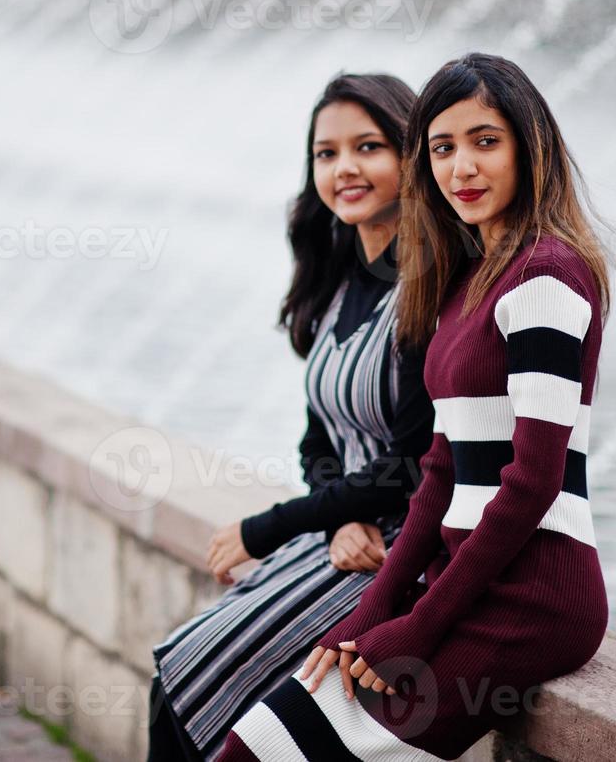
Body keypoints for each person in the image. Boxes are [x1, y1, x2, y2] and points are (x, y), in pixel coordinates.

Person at [216, 53, 613, 761]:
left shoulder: (549, 276)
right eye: (441, 148)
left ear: (530, 146)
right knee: (251, 747)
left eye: (484, 141)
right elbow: (438, 472)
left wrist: (417, 625)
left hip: (531, 604)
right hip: (464, 585)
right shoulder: (465, 285)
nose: (462, 167)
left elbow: (532, 484)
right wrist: (370, 614)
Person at [148, 74, 437, 761]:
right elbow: (317, 441)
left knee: (195, 689)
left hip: (401, 554)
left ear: (410, 157)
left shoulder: (429, 292)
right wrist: (337, 516)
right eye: (325, 154)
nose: (343, 169)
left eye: (367, 147)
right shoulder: (340, 280)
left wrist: (263, 528)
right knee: (180, 673)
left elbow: (414, 461)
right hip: (347, 534)